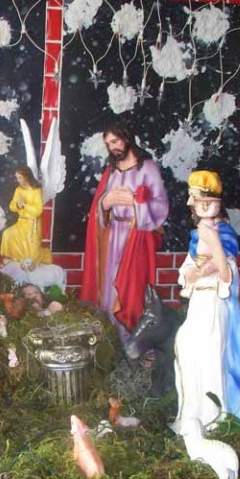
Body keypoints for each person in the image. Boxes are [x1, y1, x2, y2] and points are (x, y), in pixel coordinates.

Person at [172, 171, 240, 430]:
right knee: (187, 349)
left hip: (214, 304)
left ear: (212, 202)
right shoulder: (197, 235)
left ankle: (214, 417)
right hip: (198, 304)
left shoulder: (223, 234)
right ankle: (192, 414)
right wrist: (197, 270)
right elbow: (189, 271)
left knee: (210, 357)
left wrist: (214, 247)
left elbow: (226, 274)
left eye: (196, 198)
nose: (190, 203)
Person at [81, 121, 169, 340]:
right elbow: (99, 206)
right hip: (112, 237)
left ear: (127, 137)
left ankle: (128, 339)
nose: (113, 147)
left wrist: (135, 202)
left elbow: (161, 206)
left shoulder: (147, 167)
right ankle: (109, 338)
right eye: (108, 144)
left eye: (115, 141)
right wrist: (106, 202)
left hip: (135, 238)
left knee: (131, 289)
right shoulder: (111, 170)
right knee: (109, 286)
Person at [0, 166, 52, 268]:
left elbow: (38, 211)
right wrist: (18, 205)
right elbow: (11, 206)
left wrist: (25, 205)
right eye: (17, 178)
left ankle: (45, 255)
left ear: (26, 176)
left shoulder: (36, 191)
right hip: (21, 223)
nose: (18, 180)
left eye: (20, 177)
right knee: (7, 234)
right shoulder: (18, 190)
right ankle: (8, 261)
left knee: (33, 258)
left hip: (33, 226)